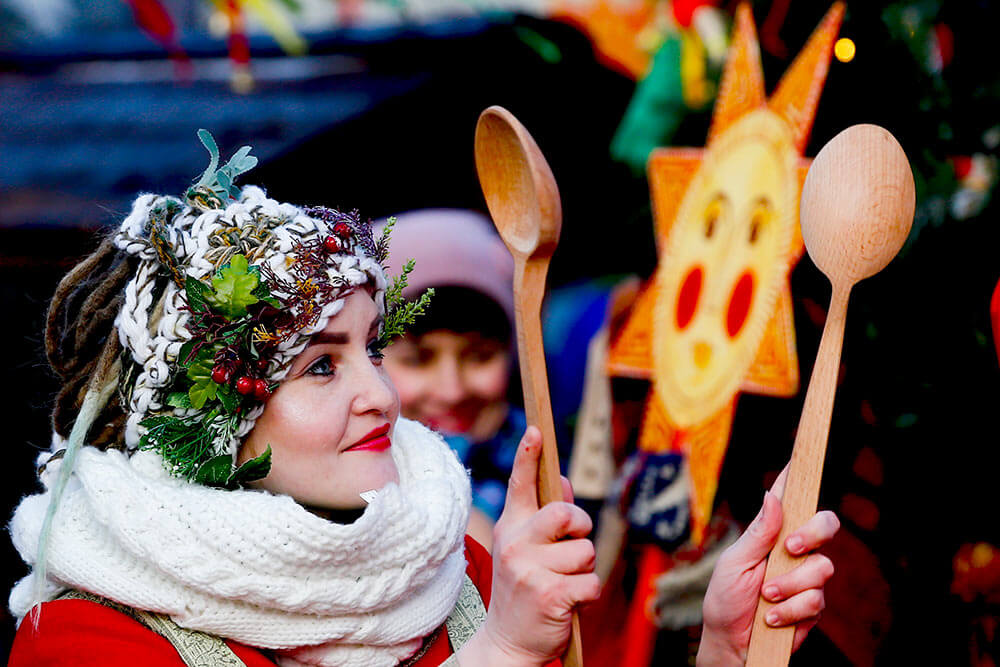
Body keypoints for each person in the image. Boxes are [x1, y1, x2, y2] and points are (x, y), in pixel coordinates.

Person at [6, 135, 836, 666]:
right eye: (321, 368)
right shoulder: (89, 639)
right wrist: (503, 649)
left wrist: (729, 650)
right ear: (208, 414)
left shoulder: (458, 566)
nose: (383, 393)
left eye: (371, 348)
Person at [377, 209, 521, 549]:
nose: (452, 391)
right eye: (417, 360)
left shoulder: (552, 466)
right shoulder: (340, 494)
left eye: (480, 356)